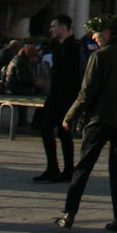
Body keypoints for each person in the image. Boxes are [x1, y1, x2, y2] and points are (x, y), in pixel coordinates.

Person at [54, 14, 117, 233]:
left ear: (106, 32)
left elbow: (86, 92)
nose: (94, 38)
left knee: (83, 167)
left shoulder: (99, 57)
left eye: (96, 33)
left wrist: (70, 116)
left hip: (100, 120)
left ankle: (69, 214)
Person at [34, 14, 81, 184]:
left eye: (53, 26)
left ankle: (62, 169)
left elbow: (69, 77)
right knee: (58, 131)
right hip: (57, 96)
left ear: (63, 27)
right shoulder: (60, 46)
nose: (50, 29)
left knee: (54, 130)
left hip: (64, 98)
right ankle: (57, 168)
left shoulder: (72, 48)